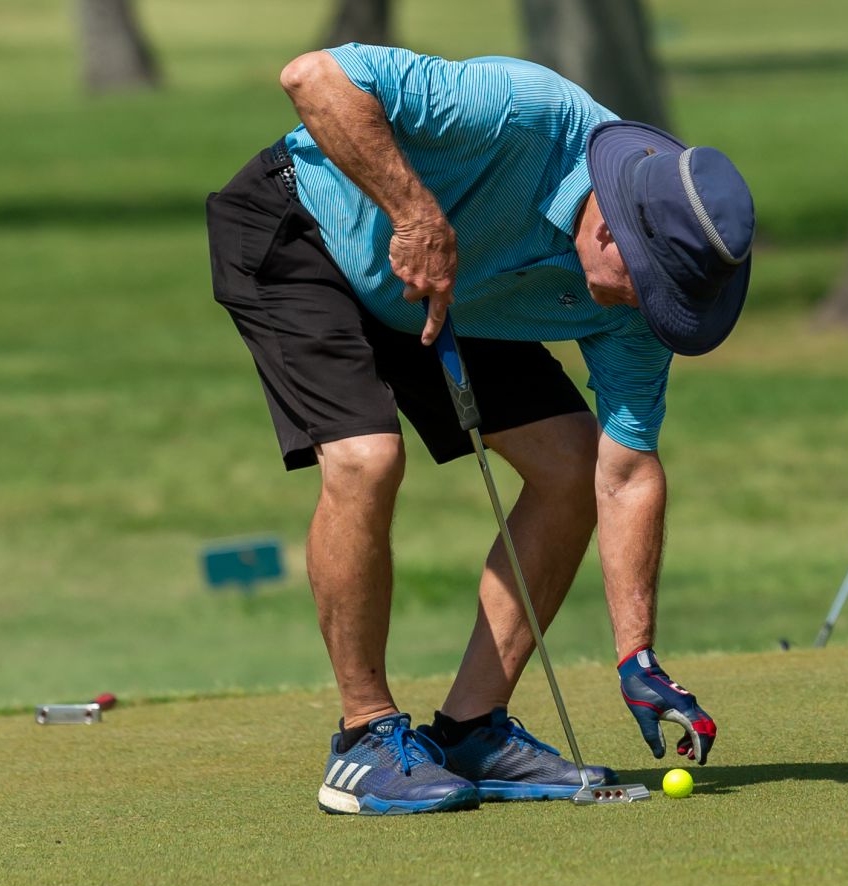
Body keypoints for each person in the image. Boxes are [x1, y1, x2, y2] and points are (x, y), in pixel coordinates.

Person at [205, 44, 753, 815]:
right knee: (366, 457)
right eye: (651, 288)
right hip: (306, 230)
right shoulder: (521, 109)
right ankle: (362, 738)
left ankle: (472, 730)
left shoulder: (636, 314)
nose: (647, 313)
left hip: (445, 288)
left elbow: (624, 473)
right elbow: (312, 77)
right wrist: (414, 210)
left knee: (570, 468)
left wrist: (637, 651)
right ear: (611, 233)